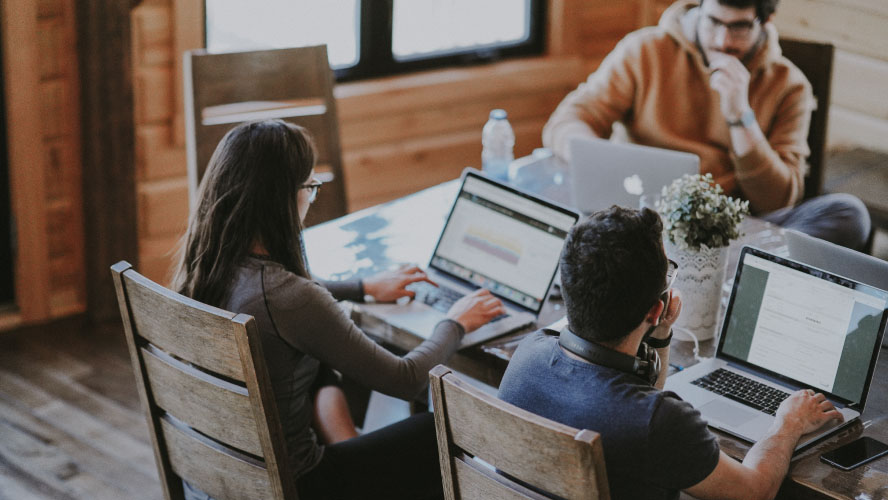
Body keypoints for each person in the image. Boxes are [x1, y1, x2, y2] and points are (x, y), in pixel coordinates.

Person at [172, 119, 506, 499]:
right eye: (310, 187)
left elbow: (286, 302)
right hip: (297, 487)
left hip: (212, 478)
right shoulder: (289, 298)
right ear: (282, 197)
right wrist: (456, 321)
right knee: (435, 430)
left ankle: (348, 443)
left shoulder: (207, 266)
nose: (311, 197)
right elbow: (406, 378)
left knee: (320, 370)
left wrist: (362, 288)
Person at [498, 206, 843, 500]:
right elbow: (755, 491)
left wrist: (660, 336)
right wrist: (788, 423)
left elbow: (634, 405)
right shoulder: (661, 422)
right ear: (654, 309)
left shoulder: (526, 356)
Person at [543, 0, 870, 251]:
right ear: (699, 6)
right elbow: (566, 121)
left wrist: (740, 115)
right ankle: (714, 275)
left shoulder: (790, 86)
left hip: (730, 232)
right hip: (639, 216)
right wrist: (600, 163)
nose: (723, 40)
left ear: (765, 20)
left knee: (849, 214)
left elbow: (779, 200)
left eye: (740, 27)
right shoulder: (644, 50)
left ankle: (716, 273)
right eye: (714, 21)